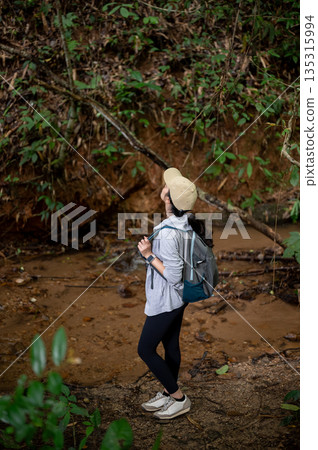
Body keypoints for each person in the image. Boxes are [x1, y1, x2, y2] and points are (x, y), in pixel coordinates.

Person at [137, 167, 212, 420]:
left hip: (167, 300)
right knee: (170, 345)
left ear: (168, 198)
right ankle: (169, 393)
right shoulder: (185, 222)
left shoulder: (169, 234)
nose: (164, 187)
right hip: (180, 298)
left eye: (168, 188)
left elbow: (171, 275)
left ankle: (179, 398)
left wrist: (148, 255)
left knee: (145, 350)